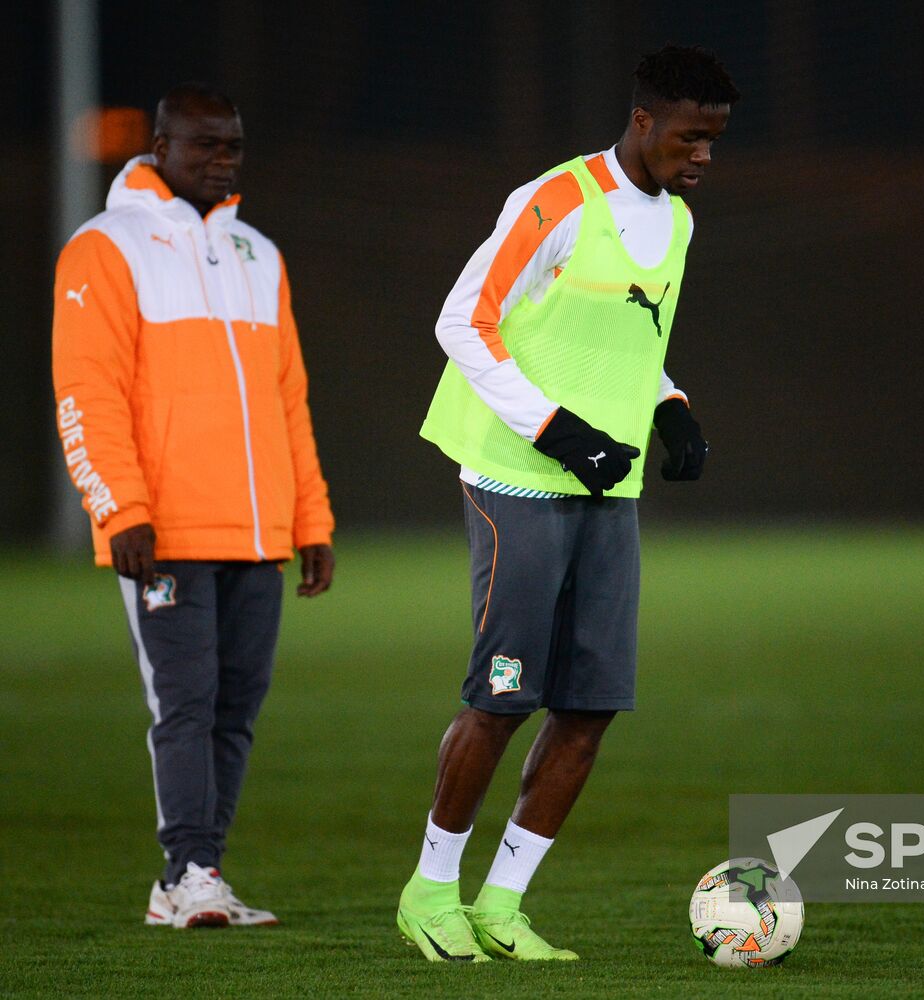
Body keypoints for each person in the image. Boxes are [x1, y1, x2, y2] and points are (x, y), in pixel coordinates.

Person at [396, 46, 738, 963]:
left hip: (605, 487)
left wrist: (671, 410)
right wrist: (554, 431)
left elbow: (623, 342)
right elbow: (462, 319)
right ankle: (431, 889)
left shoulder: (679, 223)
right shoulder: (553, 199)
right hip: (518, 477)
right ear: (642, 122)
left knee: (589, 708)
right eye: (689, 136)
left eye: (715, 139)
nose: (703, 154)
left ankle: (502, 905)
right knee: (505, 698)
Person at [51, 83, 336, 927]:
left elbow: (289, 400)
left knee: (234, 709)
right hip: (162, 531)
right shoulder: (104, 248)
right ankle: (186, 873)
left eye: (233, 147)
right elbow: (85, 393)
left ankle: (198, 876)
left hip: (256, 534)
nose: (221, 160)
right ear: (160, 145)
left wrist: (310, 520)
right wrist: (118, 509)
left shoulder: (260, 254)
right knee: (183, 701)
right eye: (205, 146)